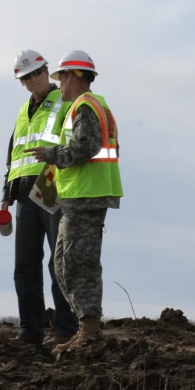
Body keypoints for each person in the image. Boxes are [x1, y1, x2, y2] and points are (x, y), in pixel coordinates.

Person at [24, 50, 123, 355]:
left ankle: (90, 333)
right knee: (64, 264)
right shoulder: (91, 105)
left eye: (61, 78)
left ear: (74, 76)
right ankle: (86, 329)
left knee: (78, 265)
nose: (60, 85)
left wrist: (52, 154)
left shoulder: (86, 105)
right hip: (79, 196)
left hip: (86, 195)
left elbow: (88, 146)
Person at [1, 49, 78, 348]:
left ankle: (65, 330)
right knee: (25, 266)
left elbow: (74, 145)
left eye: (36, 73)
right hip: (23, 197)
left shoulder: (65, 102)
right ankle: (30, 332)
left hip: (52, 188)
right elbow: (13, 156)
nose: (32, 80)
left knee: (57, 264)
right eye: (25, 77)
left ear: (47, 71)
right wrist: (5, 196)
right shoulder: (23, 112)